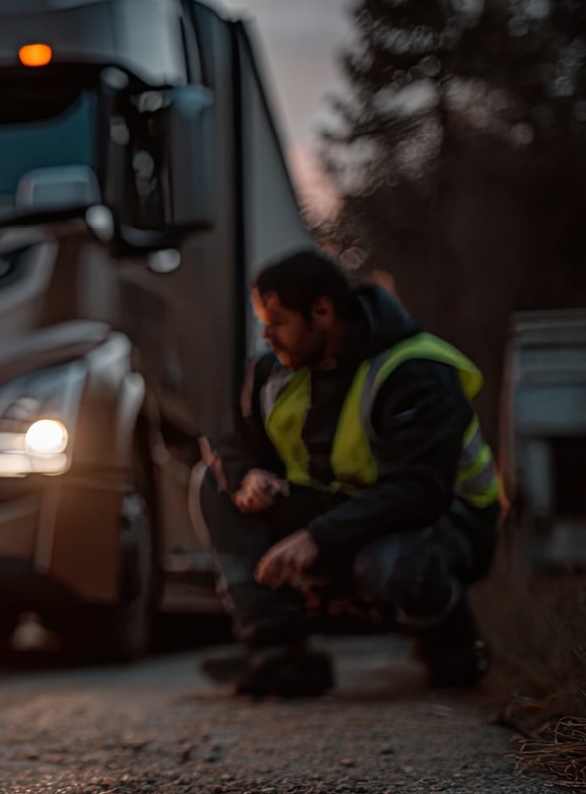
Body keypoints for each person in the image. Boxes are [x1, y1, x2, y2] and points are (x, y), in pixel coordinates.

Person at [194, 248, 501, 698]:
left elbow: (421, 492)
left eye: (278, 322)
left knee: (389, 562)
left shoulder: (415, 370)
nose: (266, 335)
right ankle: (278, 654)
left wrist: (316, 536)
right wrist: (248, 477)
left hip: (447, 523)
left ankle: (453, 646)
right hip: (340, 515)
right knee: (210, 484)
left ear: (322, 312)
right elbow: (234, 443)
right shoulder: (271, 372)